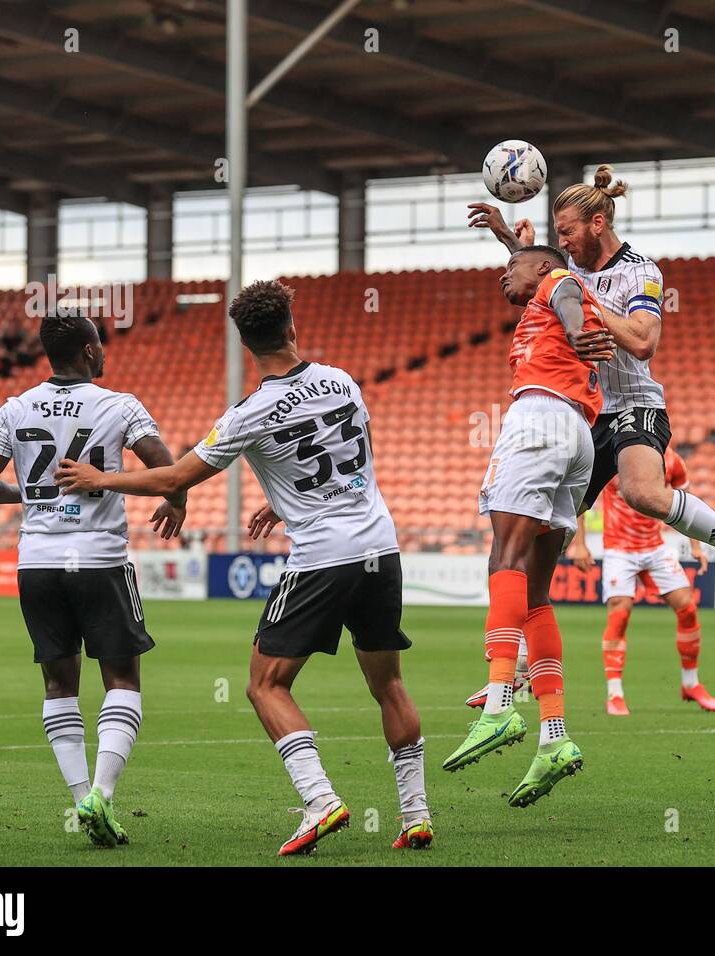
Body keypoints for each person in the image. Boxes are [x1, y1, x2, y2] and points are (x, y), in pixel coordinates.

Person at [55, 280, 433, 854]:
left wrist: (99, 477)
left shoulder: (246, 415)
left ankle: (320, 800)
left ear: (245, 343)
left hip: (323, 559)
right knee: (389, 683)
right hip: (380, 548)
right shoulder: (343, 380)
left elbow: (174, 478)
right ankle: (416, 815)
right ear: (293, 329)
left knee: (265, 685)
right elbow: (349, 456)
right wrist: (286, 499)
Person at [468, 168, 715, 603]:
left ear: (597, 224)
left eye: (568, 232)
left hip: (633, 403)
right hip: (580, 417)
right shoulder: (569, 272)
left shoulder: (641, 273)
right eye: (558, 236)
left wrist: (580, 298)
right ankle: (525, 652)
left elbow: (643, 341)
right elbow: (542, 275)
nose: (563, 242)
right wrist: (512, 242)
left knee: (642, 493)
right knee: (538, 531)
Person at [0, 312, 187, 848]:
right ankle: (102, 795)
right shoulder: (119, 405)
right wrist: (175, 500)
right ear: (89, 351)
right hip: (99, 560)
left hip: (36, 563)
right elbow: (167, 466)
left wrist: (37, 496)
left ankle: (80, 798)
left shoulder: (14, 408)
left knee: (58, 684)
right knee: (123, 680)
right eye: (100, 345)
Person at [441, 245, 609, 806]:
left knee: (503, 560)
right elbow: (539, 268)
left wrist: (576, 323)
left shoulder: (557, 283)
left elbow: (560, 281)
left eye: (512, 266)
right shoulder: (539, 288)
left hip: (538, 418)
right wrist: (504, 235)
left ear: (538, 268)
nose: (501, 274)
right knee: (536, 593)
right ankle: (554, 737)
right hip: (578, 434)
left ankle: (497, 706)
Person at [571, 446, 715, 715]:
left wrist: (695, 545)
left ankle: (691, 683)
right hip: (619, 549)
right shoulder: (612, 455)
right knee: (620, 612)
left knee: (687, 608)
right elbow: (583, 496)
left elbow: (687, 502)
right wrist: (579, 544)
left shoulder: (672, 461)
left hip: (655, 547)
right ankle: (615, 694)